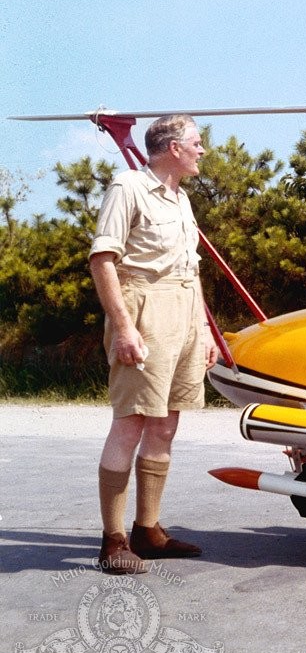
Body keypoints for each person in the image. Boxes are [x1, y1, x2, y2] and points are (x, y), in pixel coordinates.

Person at [89, 114, 218, 574]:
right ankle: (113, 540)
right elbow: (103, 260)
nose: (202, 151)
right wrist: (124, 327)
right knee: (132, 423)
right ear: (171, 148)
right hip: (144, 310)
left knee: (165, 425)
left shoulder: (181, 200)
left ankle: (148, 530)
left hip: (183, 312)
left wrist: (202, 329)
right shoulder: (129, 188)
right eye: (196, 143)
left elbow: (192, 269)